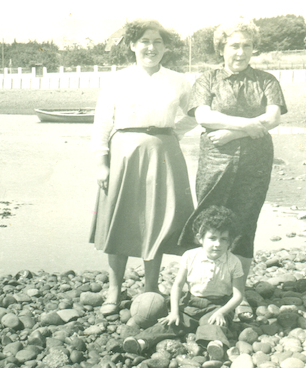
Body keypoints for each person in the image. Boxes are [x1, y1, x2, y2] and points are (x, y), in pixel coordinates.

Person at [178, 17, 287, 321]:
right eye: (234, 45)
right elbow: (203, 115)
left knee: (245, 223)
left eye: (247, 46)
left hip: (255, 161)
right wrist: (248, 125)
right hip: (215, 160)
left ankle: (235, 294)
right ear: (221, 48)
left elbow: (273, 118)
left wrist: (234, 133)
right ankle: (200, 289)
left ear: (254, 48)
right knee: (207, 221)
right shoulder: (207, 79)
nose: (240, 52)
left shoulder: (266, 80)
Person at [90, 19, 197, 315]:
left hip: (164, 152)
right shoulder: (116, 80)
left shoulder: (178, 80)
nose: (151, 48)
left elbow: (193, 114)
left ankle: (150, 288)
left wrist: (173, 132)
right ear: (132, 45)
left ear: (166, 47)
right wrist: (101, 162)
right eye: (145, 42)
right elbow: (102, 123)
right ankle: (114, 289)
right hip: (123, 152)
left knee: (157, 220)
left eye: (158, 42)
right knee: (119, 219)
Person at [123, 206, 244, 360]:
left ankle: (215, 345)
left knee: (212, 323)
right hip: (190, 303)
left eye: (223, 239)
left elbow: (238, 295)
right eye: (212, 238)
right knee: (173, 322)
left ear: (230, 242)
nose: (217, 244)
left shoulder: (233, 262)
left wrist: (222, 312)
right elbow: (178, 286)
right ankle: (141, 342)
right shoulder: (190, 256)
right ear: (200, 238)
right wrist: (174, 311)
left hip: (218, 305)